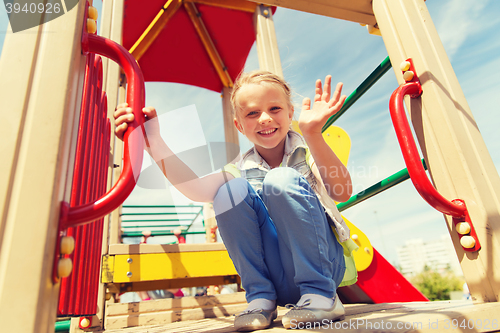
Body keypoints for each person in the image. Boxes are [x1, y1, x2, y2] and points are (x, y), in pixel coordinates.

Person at [114, 70, 354, 331]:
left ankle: (322, 295)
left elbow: (341, 192)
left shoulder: (306, 153)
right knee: (228, 191)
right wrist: (155, 144)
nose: (265, 118)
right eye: (252, 113)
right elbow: (196, 190)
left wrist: (313, 134)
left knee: (280, 180)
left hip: (324, 267)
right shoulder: (239, 168)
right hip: (279, 280)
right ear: (239, 125)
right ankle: (261, 297)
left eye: (275, 108)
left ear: (289, 113)